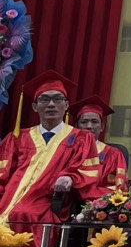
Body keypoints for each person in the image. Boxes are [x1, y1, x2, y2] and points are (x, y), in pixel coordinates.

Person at [0, 71, 99, 233]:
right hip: (8, 197)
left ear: (66, 105)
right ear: (35, 106)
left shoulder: (82, 138)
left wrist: (70, 177)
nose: (51, 104)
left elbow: (88, 171)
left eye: (58, 99)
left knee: (23, 214)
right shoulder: (17, 137)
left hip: (47, 200)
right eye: (44, 99)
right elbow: (2, 172)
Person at [69, 97, 130, 196]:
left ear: (102, 127)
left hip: (99, 203)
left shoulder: (114, 154)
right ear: (76, 126)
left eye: (94, 121)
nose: (89, 126)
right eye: (84, 122)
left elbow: (119, 188)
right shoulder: (67, 150)